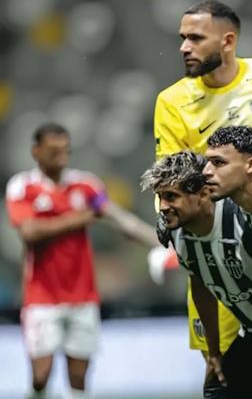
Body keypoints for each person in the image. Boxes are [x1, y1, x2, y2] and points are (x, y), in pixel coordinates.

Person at [153, 0, 252, 361]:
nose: (184, 47)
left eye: (196, 38)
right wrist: (165, 214)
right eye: (182, 38)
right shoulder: (172, 101)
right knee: (220, 369)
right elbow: (168, 176)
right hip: (216, 249)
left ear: (228, 41)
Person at [6, 123, 161, 399]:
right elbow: (29, 232)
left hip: (83, 295)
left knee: (78, 379)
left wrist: (161, 242)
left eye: (66, 151)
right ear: (36, 151)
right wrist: (77, 219)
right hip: (41, 297)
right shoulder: (22, 187)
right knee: (41, 376)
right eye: (54, 152)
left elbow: (118, 218)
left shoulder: (87, 184)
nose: (62, 158)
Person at [141, 151, 252, 398]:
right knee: (215, 392)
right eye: (160, 197)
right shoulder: (178, 233)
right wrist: (214, 352)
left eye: (171, 197)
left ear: (204, 193)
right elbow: (201, 286)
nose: (163, 207)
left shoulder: (244, 220)